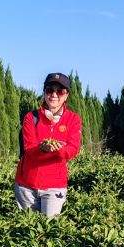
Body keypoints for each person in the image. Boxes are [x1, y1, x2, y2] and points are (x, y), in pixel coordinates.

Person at [14, 72, 82, 217]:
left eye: (60, 91)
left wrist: (59, 150)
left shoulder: (73, 119)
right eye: (50, 90)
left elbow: (73, 149)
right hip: (26, 184)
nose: (54, 94)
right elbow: (29, 148)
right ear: (44, 92)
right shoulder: (31, 117)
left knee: (49, 230)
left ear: (66, 95)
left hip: (54, 185)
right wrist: (42, 148)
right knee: (26, 230)